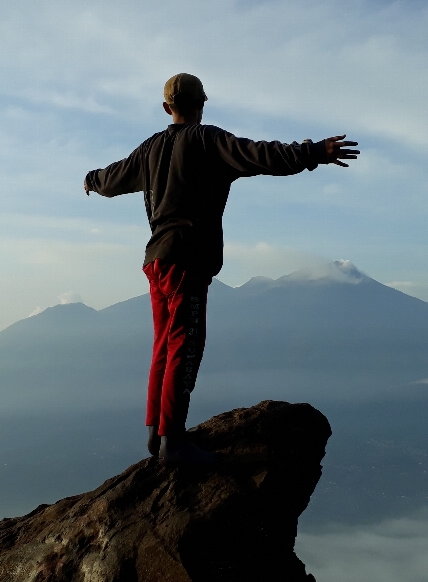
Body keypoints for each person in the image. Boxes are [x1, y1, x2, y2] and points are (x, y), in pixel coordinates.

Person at [84, 73, 358, 464]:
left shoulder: (149, 149)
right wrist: (315, 151)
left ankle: (156, 435)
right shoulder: (208, 141)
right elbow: (262, 154)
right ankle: (173, 443)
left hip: (156, 260)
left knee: (164, 345)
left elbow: (112, 178)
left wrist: (91, 180)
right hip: (187, 259)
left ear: (167, 108)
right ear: (202, 105)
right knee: (185, 345)